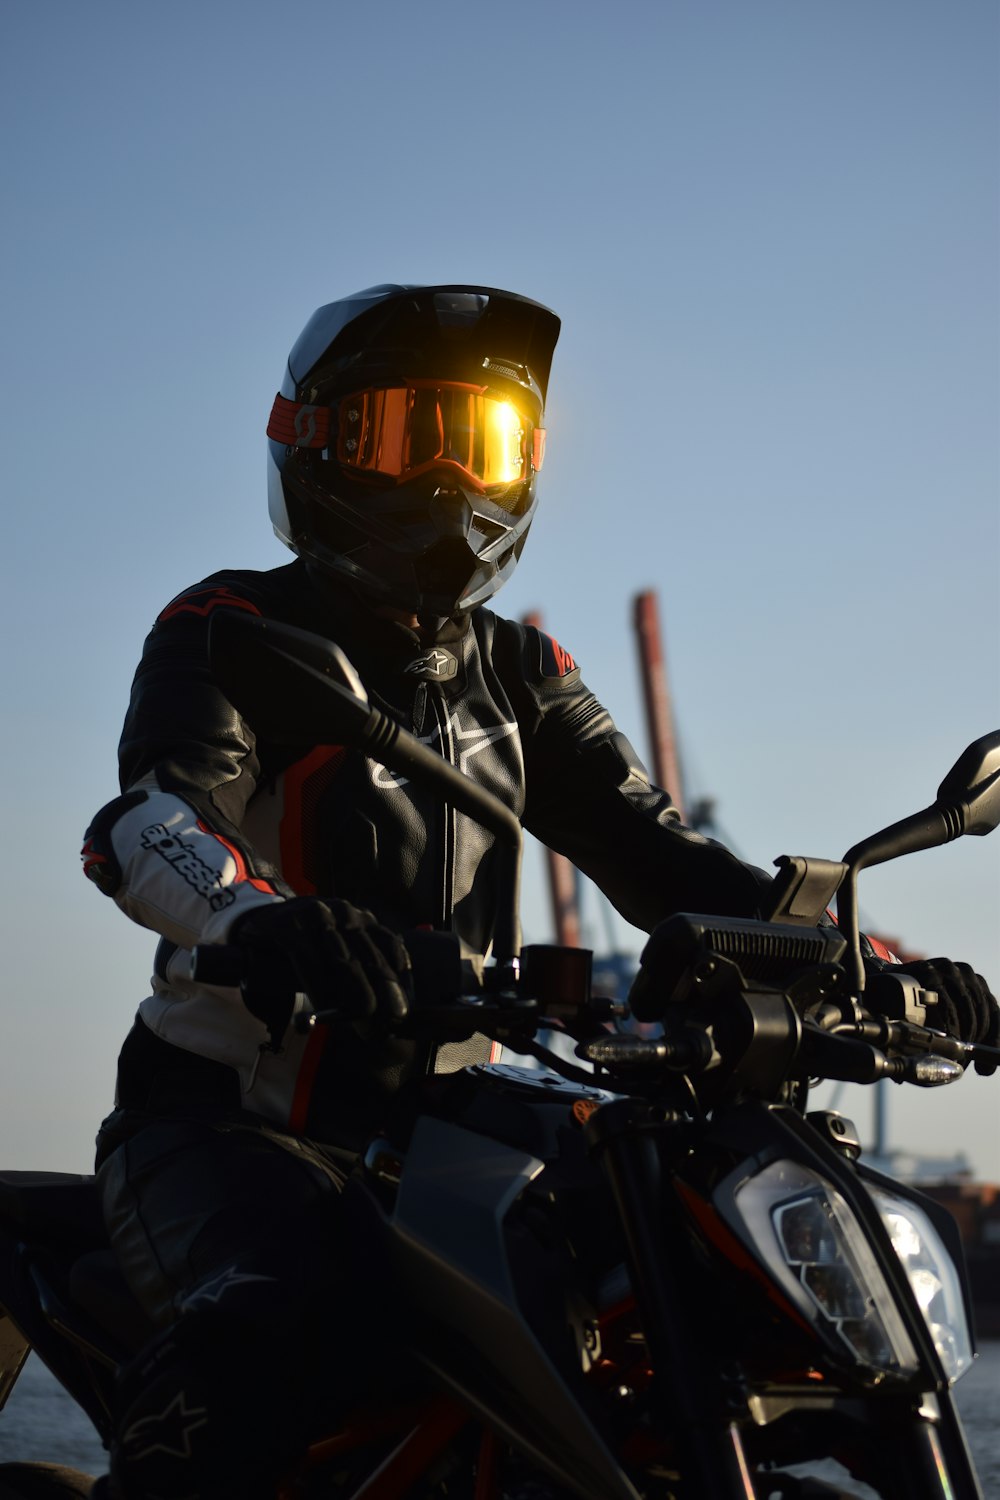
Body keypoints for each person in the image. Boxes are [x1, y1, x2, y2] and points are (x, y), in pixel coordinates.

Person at [81, 284, 998, 1500]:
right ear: (324, 443)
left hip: (459, 1144)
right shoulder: (231, 626)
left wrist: (855, 967)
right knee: (277, 1323)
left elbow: (661, 854)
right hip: (231, 1126)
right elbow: (152, 820)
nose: (459, 477)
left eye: (494, 442)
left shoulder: (523, 671)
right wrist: (268, 920)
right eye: (421, 434)